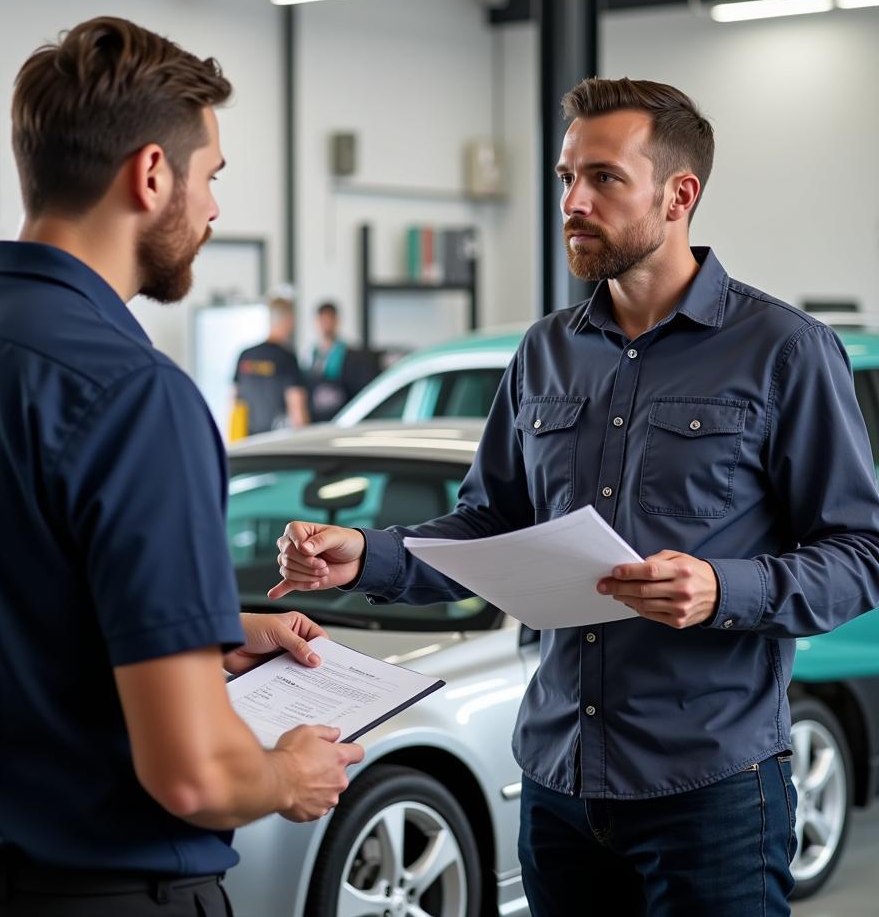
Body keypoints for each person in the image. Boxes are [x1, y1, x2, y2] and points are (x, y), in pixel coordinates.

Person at [270, 78, 879, 917]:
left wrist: (719, 590)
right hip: (558, 785)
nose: (573, 201)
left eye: (602, 178)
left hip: (712, 795)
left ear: (680, 195)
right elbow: (490, 528)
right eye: (565, 179)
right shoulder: (545, 353)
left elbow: (860, 555)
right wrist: (365, 554)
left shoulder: (784, 351)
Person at [0, 16, 362, 917]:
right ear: (152, 174)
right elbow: (195, 777)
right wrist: (287, 775)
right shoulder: (137, 395)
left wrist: (198, 628)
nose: (211, 211)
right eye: (210, 178)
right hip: (107, 897)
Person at [232, 296, 309, 435]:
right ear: (288, 320)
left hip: (247, 442)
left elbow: (233, 402)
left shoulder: (245, 355)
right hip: (275, 444)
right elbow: (297, 410)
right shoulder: (287, 358)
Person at [307, 301, 350, 422]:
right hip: (316, 418)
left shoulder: (348, 354)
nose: (326, 325)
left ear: (337, 321)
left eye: (329, 320)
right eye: (323, 321)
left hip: (339, 416)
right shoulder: (311, 354)